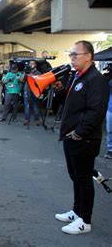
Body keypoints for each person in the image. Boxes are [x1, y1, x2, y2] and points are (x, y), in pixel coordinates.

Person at [55, 40, 109, 235]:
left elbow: (95, 111)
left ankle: (84, 220)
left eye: (75, 54)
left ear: (88, 56)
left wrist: (79, 132)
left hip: (83, 139)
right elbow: (71, 104)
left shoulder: (96, 80)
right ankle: (77, 211)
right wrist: (60, 90)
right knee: (75, 177)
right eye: (71, 54)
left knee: (83, 179)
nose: (72, 58)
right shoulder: (78, 76)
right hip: (71, 137)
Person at [23, 60, 42, 126]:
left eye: (33, 63)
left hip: (34, 90)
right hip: (27, 90)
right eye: (30, 63)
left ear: (35, 65)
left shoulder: (38, 72)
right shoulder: (27, 72)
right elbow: (22, 80)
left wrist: (32, 75)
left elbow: (39, 81)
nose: (31, 65)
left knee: (35, 105)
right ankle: (27, 119)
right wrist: (25, 73)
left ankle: (36, 119)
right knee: (26, 105)